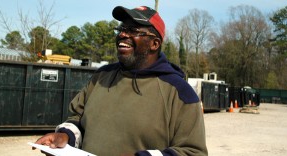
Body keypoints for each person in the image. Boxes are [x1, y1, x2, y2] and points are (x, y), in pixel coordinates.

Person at [33, 5, 208, 156]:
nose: (123, 34)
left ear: (154, 44)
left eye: (133, 30)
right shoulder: (101, 77)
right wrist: (65, 137)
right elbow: (76, 117)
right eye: (122, 29)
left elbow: (193, 152)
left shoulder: (179, 92)